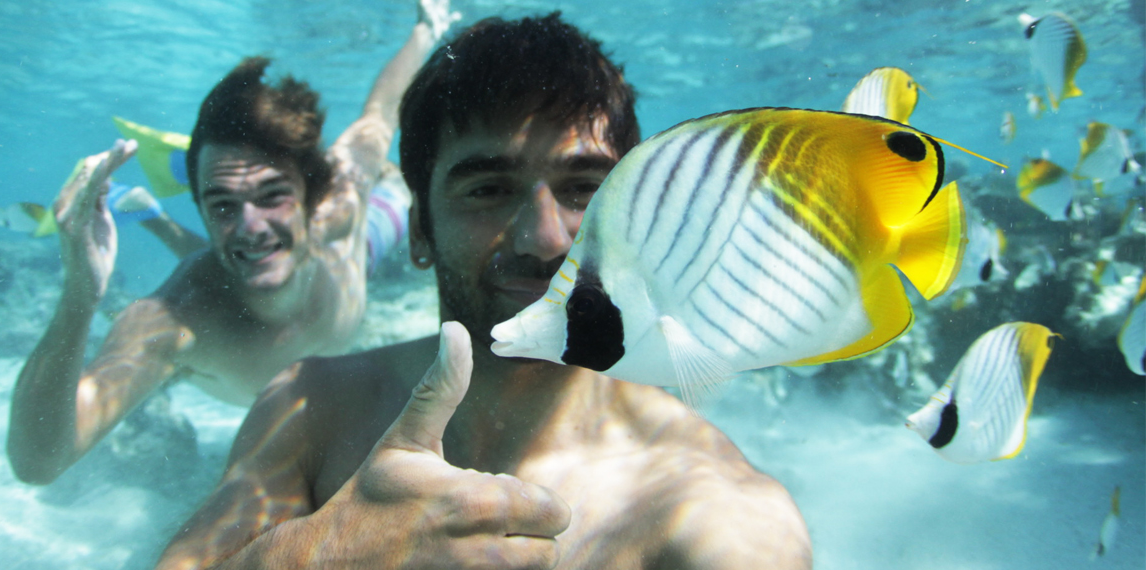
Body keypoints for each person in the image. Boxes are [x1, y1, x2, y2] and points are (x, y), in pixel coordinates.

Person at [153, 13, 813, 570]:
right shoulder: (309, 408)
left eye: (584, 188)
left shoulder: (707, 510)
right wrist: (324, 552)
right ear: (419, 230)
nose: (544, 238)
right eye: (489, 189)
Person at [6, 0, 458, 485]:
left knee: (394, 189)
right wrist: (79, 294)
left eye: (272, 195)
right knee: (225, 267)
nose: (249, 223)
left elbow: (379, 113)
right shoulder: (173, 320)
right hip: (233, 288)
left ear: (312, 198)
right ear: (200, 208)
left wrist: (425, 30)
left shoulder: (338, 206)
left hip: (353, 257)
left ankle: (157, 216)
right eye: (221, 204)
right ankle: (160, 216)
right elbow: (38, 462)